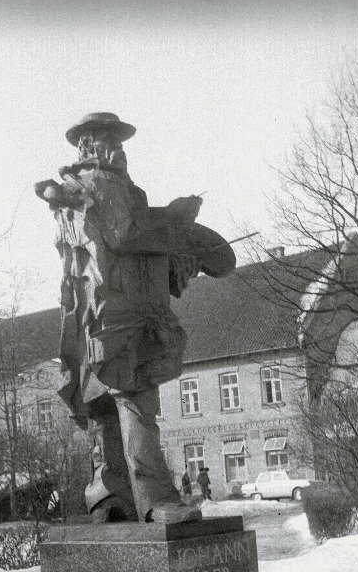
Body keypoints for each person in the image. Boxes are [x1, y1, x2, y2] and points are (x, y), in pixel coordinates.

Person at [35, 113, 235, 523]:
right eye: (111, 141)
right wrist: (178, 218)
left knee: (107, 407)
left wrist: (178, 249)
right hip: (121, 314)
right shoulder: (100, 184)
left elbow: (126, 241)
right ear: (89, 145)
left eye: (120, 142)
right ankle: (156, 499)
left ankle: (111, 500)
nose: (119, 150)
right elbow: (127, 235)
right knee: (137, 401)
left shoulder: (82, 189)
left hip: (96, 317)